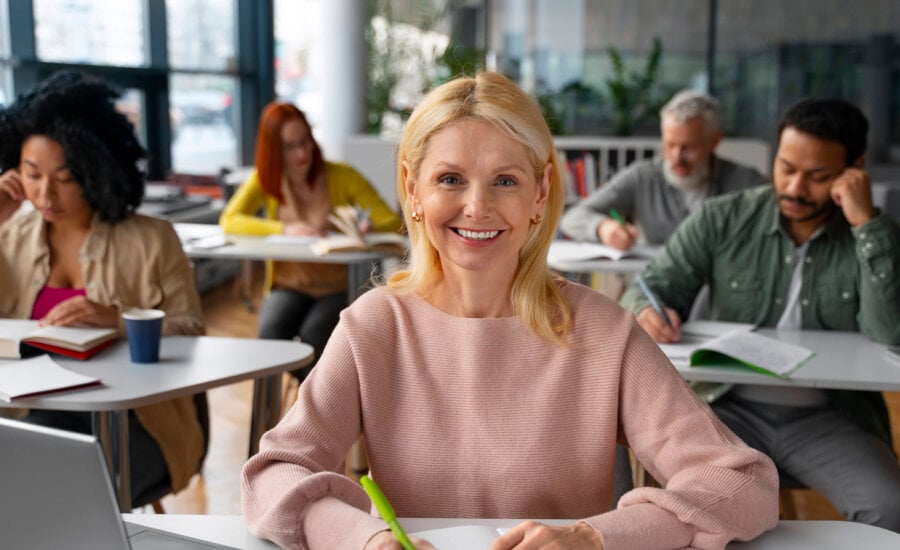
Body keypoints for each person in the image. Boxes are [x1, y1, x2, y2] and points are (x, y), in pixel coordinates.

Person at [240, 71, 778, 550]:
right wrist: (366, 539)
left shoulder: (603, 330)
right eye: (450, 179)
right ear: (413, 189)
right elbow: (273, 475)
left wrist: (597, 537)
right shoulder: (373, 326)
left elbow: (743, 484)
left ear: (540, 193)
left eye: (506, 181)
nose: (478, 206)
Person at [621, 98, 900, 531]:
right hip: (725, 409)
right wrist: (646, 312)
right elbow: (648, 289)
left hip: (831, 417)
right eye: (786, 168)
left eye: (817, 176)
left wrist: (866, 225)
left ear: (854, 169)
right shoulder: (724, 217)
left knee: (890, 507)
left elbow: (890, 330)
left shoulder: (874, 238)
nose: (794, 187)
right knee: (677, 506)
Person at [0, 71, 207, 506]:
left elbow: (191, 331)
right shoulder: (9, 237)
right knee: (27, 478)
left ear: (96, 168)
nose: (45, 193)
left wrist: (118, 320)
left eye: (65, 177)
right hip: (31, 413)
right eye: (31, 174)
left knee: (44, 493)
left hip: (136, 421)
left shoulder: (152, 239)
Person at [220, 102, 401, 382]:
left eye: (305, 141)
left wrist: (369, 226)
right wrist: (284, 228)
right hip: (289, 284)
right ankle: (313, 403)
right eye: (289, 146)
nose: (302, 153)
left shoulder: (342, 175)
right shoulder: (265, 180)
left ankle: (319, 409)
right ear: (273, 151)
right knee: (270, 337)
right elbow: (230, 219)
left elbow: (390, 219)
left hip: (337, 286)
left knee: (314, 337)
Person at [559, 90, 766, 250]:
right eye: (669, 144)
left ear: (714, 141)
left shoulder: (746, 182)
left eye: (688, 147)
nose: (676, 157)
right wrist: (603, 228)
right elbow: (573, 217)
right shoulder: (643, 176)